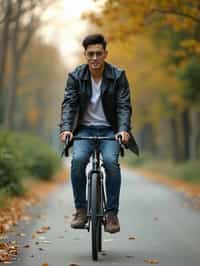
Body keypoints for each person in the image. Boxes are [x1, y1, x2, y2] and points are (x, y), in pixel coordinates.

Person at [59, 34, 139, 234]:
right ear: (85, 55)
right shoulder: (76, 76)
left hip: (111, 129)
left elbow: (123, 105)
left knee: (111, 163)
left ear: (105, 54)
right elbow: (69, 104)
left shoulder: (118, 76)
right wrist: (66, 128)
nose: (94, 58)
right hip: (84, 129)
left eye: (98, 53)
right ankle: (81, 210)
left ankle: (112, 213)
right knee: (77, 161)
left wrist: (123, 129)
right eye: (90, 54)